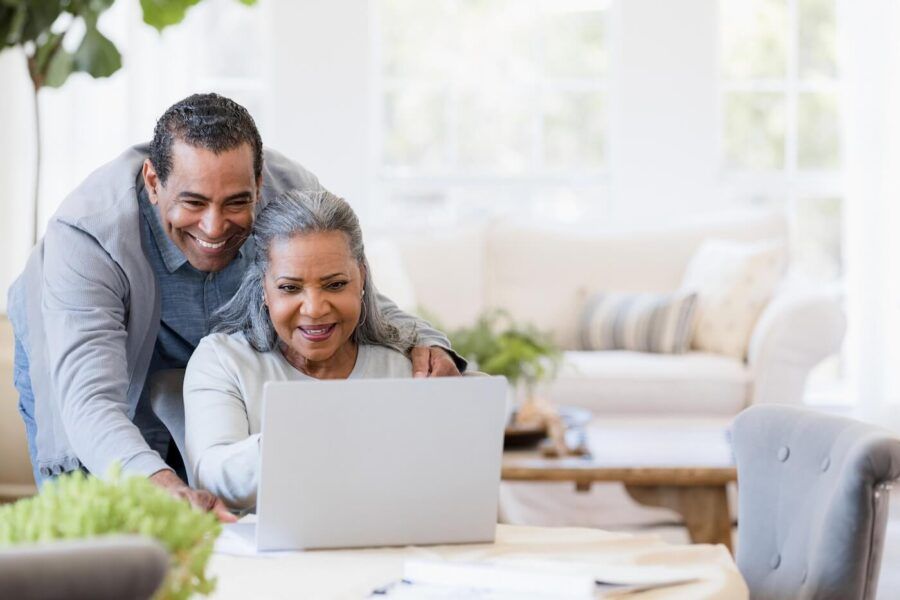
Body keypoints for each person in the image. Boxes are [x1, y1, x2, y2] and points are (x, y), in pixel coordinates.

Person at [7, 93, 463, 520]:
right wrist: (158, 481)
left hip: (209, 347)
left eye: (237, 202)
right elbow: (90, 402)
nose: (214, 225)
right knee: (105, 508)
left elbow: (343, 286)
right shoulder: (88, 233)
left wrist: (424, 339)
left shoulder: (291, 192)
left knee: (204, 514)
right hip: (94, 353)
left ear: (259, 184)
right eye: (193, 202)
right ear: (152, 182)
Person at [184, 189, 415, 510]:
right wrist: (303, 437)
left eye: (335, 285)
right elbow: (213, 478)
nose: (315, 309)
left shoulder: (400, 366)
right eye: (290, 288)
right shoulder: (224, 361)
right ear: (263, 287)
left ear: (361, 277)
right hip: (268, 557)